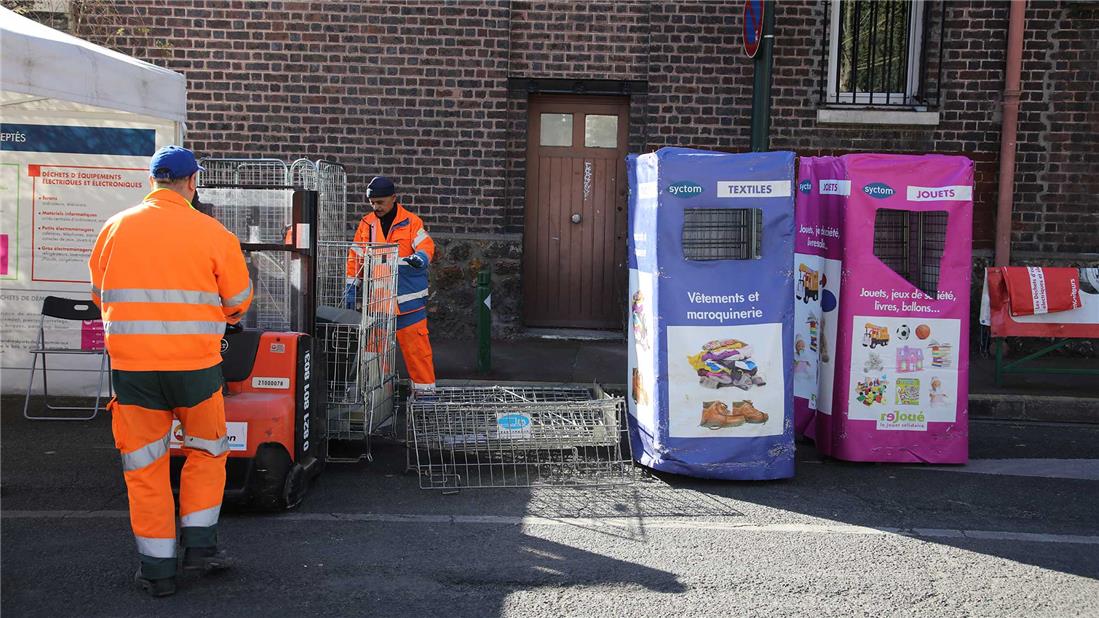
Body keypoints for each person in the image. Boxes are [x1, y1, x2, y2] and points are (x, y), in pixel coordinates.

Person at [88, 145, 253, 597]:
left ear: (152, 181)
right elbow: (237, 301)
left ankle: (158, 573)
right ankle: (200, 548)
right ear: (192, 182)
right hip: (196, 369)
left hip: (134, 371)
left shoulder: (114, 228)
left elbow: (100, 294)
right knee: (206, 451)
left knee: (145, 468)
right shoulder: (212, 232)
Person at [344, 176, 436, 397]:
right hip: (379, 302)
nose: (376, 207)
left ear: (394, 199)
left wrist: (421, 257)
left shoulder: (412, 222)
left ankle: (425, 397)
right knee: (375, 355)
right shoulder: (366, 224)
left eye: (380, 202)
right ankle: (378, 399)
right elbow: (355, 256)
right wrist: (350, 285)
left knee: (417, 352)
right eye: (372, 202)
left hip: (408, 303)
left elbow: (426, 244)